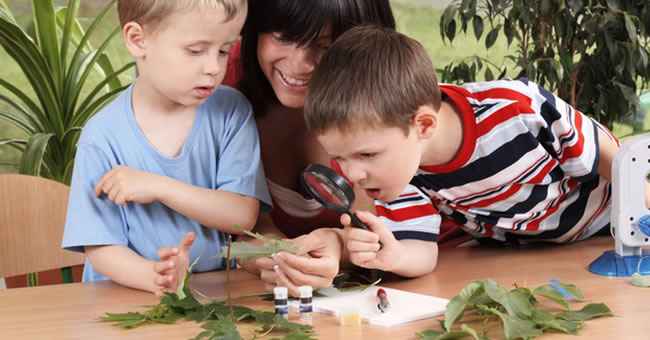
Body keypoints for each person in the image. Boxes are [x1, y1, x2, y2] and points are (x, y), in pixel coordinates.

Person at [303, 26, 622, 277]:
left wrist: (640, 212)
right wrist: (395, 255)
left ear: (424, 125)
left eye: (366, 155)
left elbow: (613, 159)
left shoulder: (515, 110)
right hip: (536, 253)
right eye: (340, 158)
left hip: (610, 225)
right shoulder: (400, 174)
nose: (352, 175)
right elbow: (421, 250)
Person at [61, 0, 272, 296]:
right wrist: (157, 277)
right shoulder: (101, 136)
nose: (213, 67)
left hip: (211, 296)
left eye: (224, 50)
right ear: (138, 40)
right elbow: (101, 247)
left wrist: (159, 186)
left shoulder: (231, 112)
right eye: (195, 51)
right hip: (126, 296)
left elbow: (241, 216)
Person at [221, 0, 397, 295]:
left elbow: (371, 225)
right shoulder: (218, 84)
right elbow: (237, 230)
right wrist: (269, 256)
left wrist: (339, 246)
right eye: (283, 37)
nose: (300, 64)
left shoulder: (374, 94)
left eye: (325, 47)